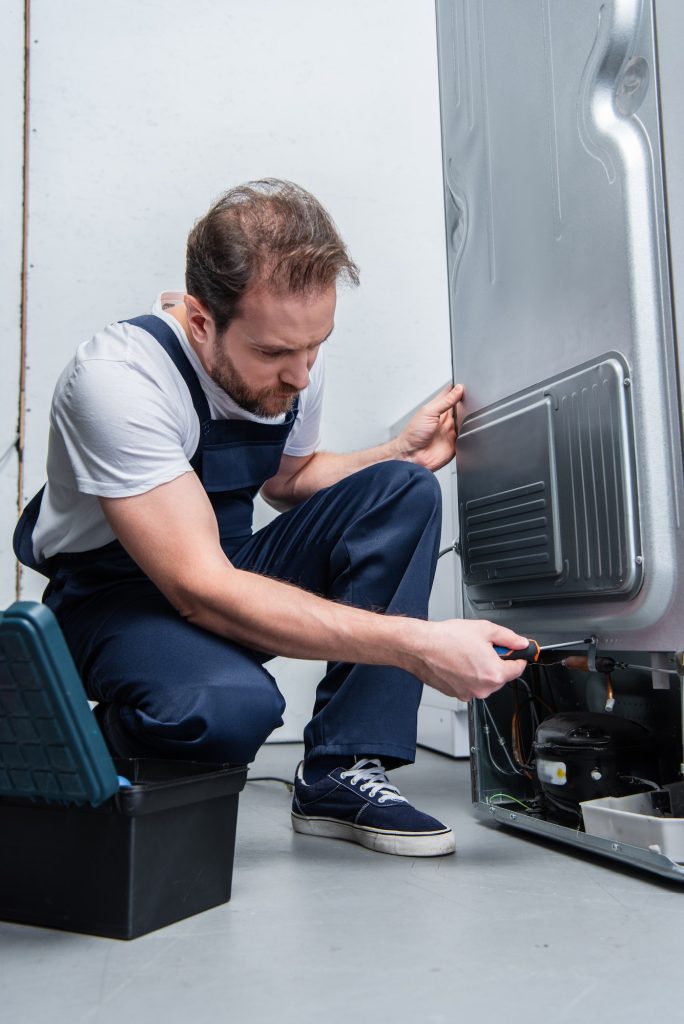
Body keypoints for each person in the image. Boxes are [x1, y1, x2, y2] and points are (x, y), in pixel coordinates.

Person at [14, 179, 527, 857]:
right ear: (201, 320)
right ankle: (82, 757)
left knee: (400, 490)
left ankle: (341, 769)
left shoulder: (289, 355)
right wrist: (419, 647)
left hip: (221, 570)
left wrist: (397, 451)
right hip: (113, 601)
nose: (300, 377)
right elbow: (198, 590)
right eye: (275, 355)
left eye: (314, 347)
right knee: (228, 710)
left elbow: (288, 479)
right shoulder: (118, 380)